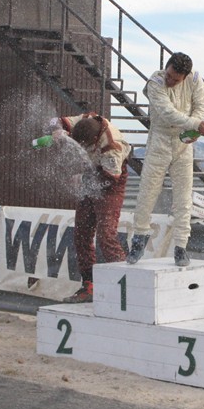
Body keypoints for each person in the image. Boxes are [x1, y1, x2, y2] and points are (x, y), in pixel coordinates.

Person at [126, 52, 204, 267]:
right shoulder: (155, 82)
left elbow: (201, 104)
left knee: (184, 197)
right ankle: (139, 238)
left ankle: (181, 246)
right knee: (148, 191)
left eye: (175, 79)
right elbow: (167, 112)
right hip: (159, 141)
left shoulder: (195, 80)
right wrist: (195, 125)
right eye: (169, 75)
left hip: (183, 144)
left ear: (185, 76)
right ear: (166, 68)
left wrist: (196, 124)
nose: (170, 81)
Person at [48, 113, 132, 303]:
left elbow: (109, 179)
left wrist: (83, 179)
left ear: (95, 140)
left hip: (111, 181)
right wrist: (56, 129)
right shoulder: (86, 119)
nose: (82, 150)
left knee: (106, 235)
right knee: (82, 233)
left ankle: (126, 287)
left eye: (85, 146)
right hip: (93, 171)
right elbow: (56, 120)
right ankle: (89, 286)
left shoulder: (112, 147)